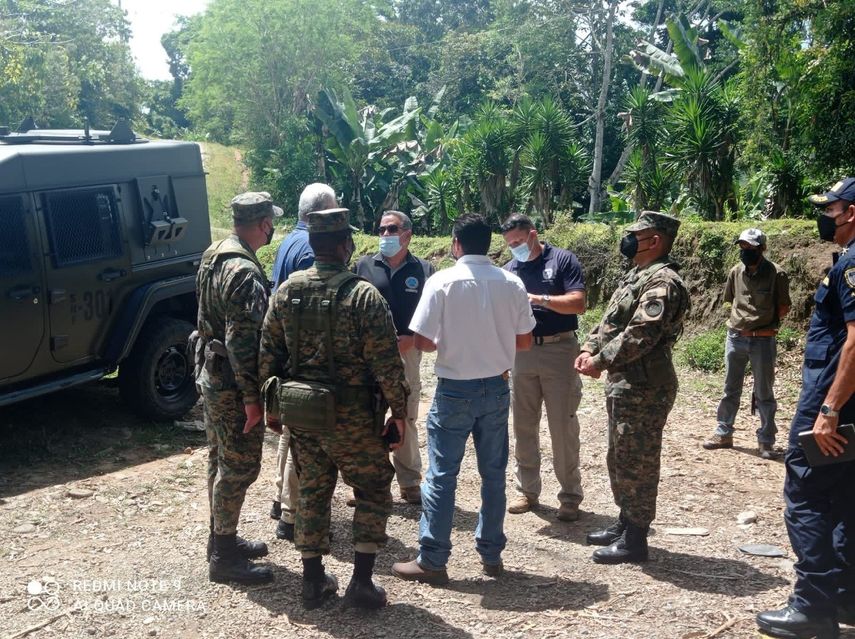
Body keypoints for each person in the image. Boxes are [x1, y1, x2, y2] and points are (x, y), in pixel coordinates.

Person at [259, 208, 409, 610]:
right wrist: (400, 413)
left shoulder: (286, 291)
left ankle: (312, 582)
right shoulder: (363, 296)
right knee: (372, 488)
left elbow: (267, 356)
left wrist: (272, 408)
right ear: (345, 246)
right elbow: (387, 365)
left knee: (311, 492)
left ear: (312, 246)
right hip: (355, 417)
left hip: (304, 415)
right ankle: (361, 583)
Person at [391, 214, 536, 584]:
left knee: (442, 476)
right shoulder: (512, 283)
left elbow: (421, 341)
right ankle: (491, 554)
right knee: (493, 475)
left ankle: (433, 559)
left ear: (456, 244)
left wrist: (451, 342)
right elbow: (524, 341)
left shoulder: (442, 281)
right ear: (490, 244)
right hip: (496, 387)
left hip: (455, 388)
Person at [757, 177, 855, 639]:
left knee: (807, 489)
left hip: (836, 395)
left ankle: (813, 606)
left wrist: (830, 408)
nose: (824, 217)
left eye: (830, 209)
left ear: (849, 213)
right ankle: (845, 596)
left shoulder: (853, 263)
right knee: (845, 494)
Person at [575, 211, 690, 565]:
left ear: (654, 241)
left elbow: (641, 333)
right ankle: (626, 522)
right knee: (620, 457)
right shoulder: (637, 276)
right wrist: (589, 347)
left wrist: (601, 360)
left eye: (636, 235)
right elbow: (611, 320)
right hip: (625, 382)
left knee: (637, 462)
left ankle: (636, 538)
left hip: (644, 385)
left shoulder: (663, 282)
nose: (629, 240)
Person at [195, 191, 281, 584]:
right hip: (231, 383)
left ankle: (221, 541)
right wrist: (253, 399)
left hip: (211, 374)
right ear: (264, 224)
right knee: (238, 467)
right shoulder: (244, 272)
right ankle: (224, 558)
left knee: (219, 461)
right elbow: (242, 343)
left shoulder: (216, 253)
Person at [500, 213, 587, 522]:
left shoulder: (562, 260)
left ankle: (570, 496)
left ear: (533, 235)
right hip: (521, 352)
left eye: (519, 242)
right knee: (523, 424)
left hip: (559, 349)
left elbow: (578, 302)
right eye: (510, 244)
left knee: (562, 426)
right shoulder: (509, 270)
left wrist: (539, 299)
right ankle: (528, 490)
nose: (515, 248)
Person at [268, 183, 339, 542]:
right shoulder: (312, 250)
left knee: (292, 432)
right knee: (306, 440)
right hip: (308, 362)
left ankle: (282, 502)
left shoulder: (287, 242)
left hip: (287, 355)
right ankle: (293, 515)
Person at [354, 210, 435, 505]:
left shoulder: (424, 270)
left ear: (407, 235)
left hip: (407, 354)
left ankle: (410, 481)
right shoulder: (363, 266)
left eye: (391, 229)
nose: (385, 235)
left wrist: (415, 339)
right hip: (367, 357)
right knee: (367, 418)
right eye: (381, 229)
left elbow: (435, 314)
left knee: (406, 416)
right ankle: (367, 483)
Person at [703, 228, 790, 459]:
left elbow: (783, 307)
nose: (745, 251)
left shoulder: (776, 274)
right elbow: (730, 301)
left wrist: (762, 325)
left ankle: (766, 441)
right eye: (742, 247)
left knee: (764, 392)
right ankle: (723, 433)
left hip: (763, 341)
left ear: (762, 248)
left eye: (750, 247)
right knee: (730, 389)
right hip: (735, 338)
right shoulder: (735, 272)